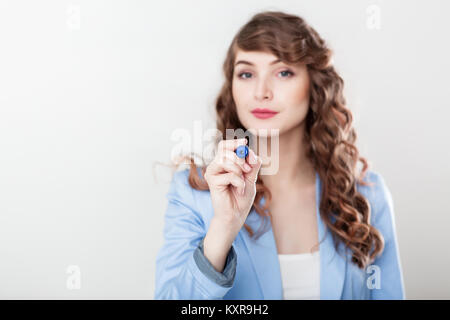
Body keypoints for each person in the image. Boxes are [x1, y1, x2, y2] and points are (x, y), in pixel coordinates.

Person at [154, 10, 405, 300]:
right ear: (232, 88)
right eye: (246, 74)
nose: (261, 92)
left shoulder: (367, 196)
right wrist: (223, 227)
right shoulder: (193, 192)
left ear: (315, 85)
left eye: (283, 72)